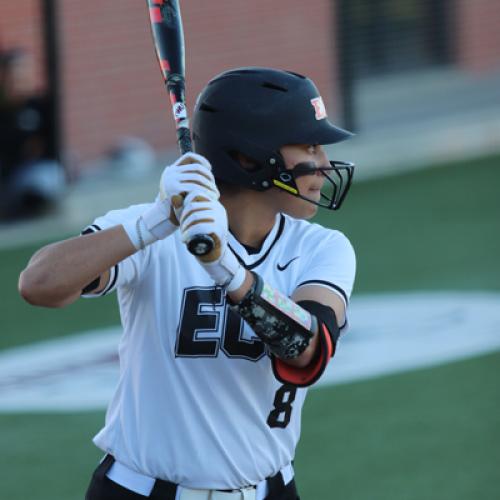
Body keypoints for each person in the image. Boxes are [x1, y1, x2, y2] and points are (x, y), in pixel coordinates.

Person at [19, 67, 356, 500]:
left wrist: (224, 268)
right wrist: (153, 223)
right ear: (251, 158)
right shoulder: (150, 231)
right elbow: (38, 284)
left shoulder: (323, 248)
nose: (324, 164)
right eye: (309, 146)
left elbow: (307, 349)